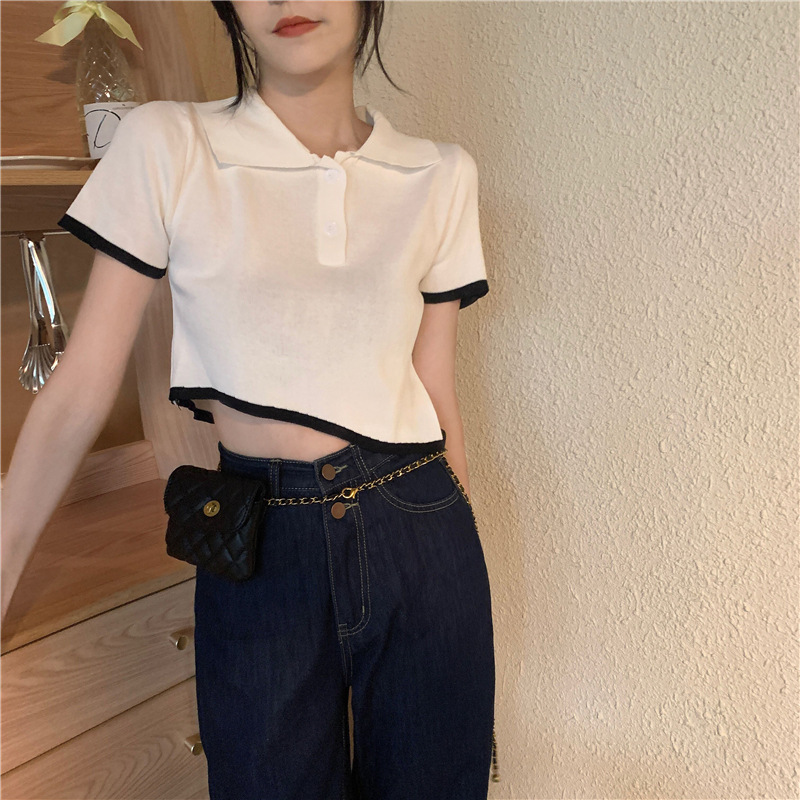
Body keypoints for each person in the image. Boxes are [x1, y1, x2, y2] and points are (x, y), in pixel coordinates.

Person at [2, 1, 498, 797]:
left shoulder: (440, 173)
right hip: (258, 542)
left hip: (419, 525)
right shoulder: (169, 143)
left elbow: (438, 395)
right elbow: (78, 390)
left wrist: (458, 586)